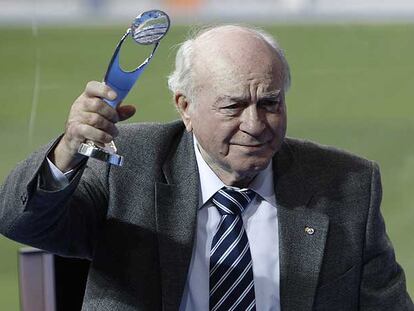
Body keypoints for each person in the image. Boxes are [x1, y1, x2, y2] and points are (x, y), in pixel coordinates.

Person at [0, 25, 413, 311]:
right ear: (186, 107)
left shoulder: (349, 186)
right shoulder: (128, 165)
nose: (255, 125)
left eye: (269, 103)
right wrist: (69, 150)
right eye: (233, 106)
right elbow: (22, 222)